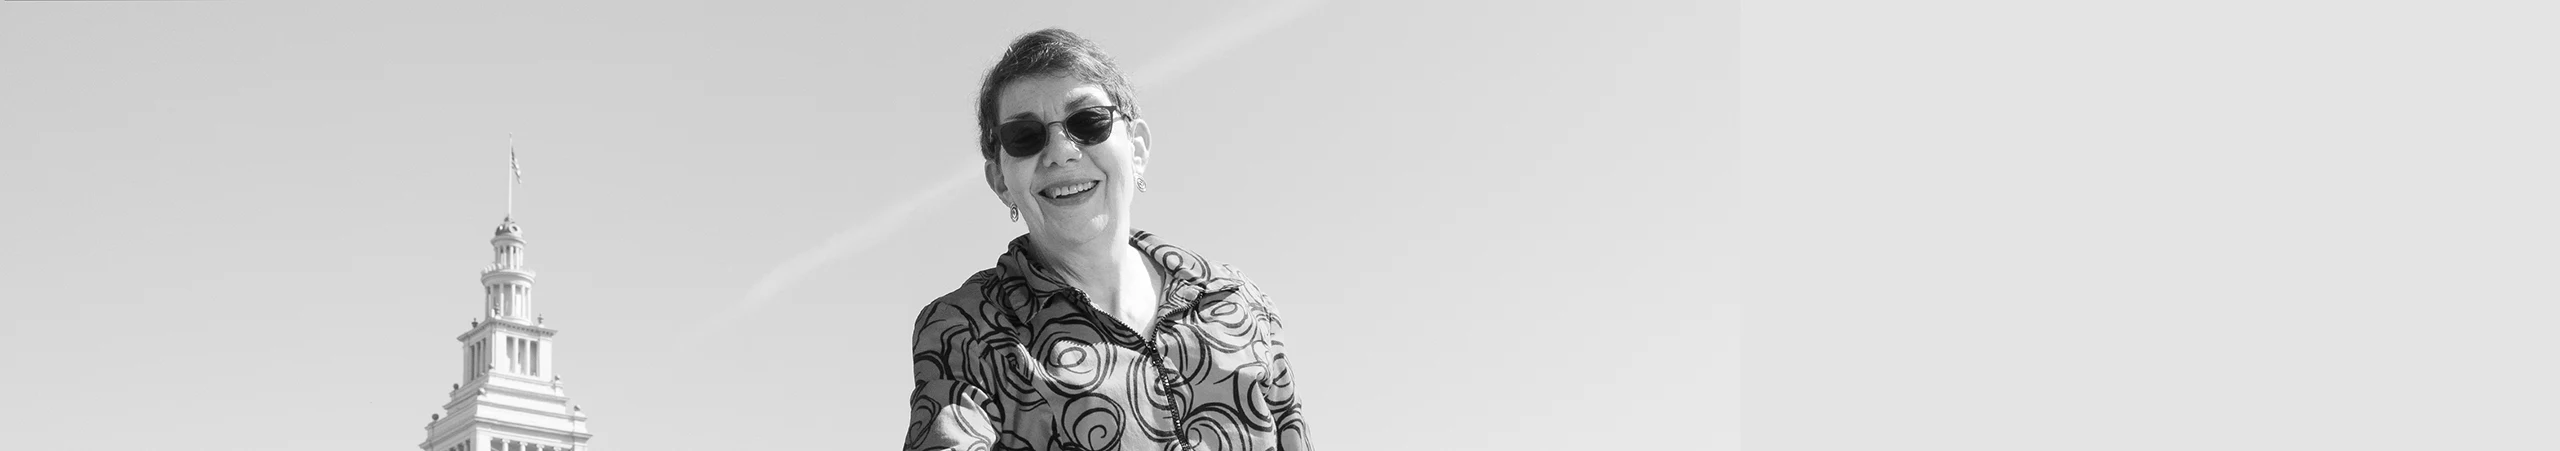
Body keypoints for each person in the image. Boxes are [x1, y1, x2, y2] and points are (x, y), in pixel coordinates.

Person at [905, 29, 1312, 451]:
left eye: (1088, 122)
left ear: (1137, 149)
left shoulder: (1240, 304)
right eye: (1025, 136)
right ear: (1000, 182)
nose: (1062, 151)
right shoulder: (966, 328)